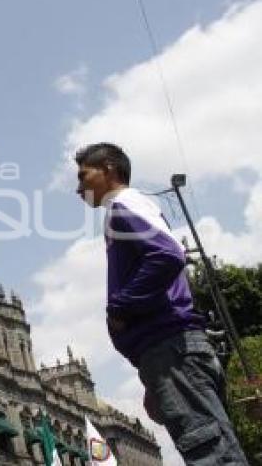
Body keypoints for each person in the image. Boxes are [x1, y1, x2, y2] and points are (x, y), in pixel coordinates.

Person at [74, 142, 248, 465]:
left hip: (170, 348)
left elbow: (167, 257)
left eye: (84, 176)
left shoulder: (123, 205)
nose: (78, 187)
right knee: (215, 448)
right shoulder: (128, 208)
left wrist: (120, 308)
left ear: (109, 169)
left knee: (212, 455)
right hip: (167, 353)